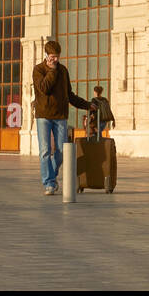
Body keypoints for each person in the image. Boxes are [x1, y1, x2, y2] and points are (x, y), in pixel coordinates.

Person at [32, 39, 91, 195]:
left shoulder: (63, 71)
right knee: (44, 150)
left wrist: (87, 105)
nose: (56, 59)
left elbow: (69, 95)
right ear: (47, 55)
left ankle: (51, 173)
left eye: (57, 56)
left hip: (60, 116)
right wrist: (51, 70)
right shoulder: (38, 70)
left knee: (61, 151)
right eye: (53, 56)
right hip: (43, 116)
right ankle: (49, 183)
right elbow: (44, 88)